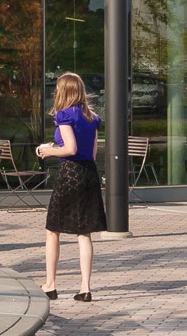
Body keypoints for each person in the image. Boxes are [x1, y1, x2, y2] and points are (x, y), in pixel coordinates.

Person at [36, 71, 106, 301]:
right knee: (84, 232)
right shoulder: (92, 118)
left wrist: (48, 150)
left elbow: (70, 149)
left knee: (52, 230)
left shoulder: (64, 115)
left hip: (70, 174)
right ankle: (85, 288)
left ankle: (50, 284)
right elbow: (92, 153)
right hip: (89, 174)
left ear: (63, 91)